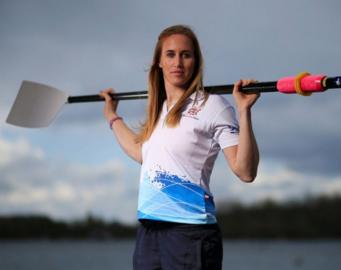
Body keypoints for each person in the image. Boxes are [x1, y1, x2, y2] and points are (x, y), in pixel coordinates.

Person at [99, 25, 260, 270]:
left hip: (190, 233)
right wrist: (112, 115)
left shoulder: (213, 105)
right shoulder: (159, 110)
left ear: (195, 61)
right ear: (159, 62)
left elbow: (245, 171)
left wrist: (244, 111)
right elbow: (141, 152)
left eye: (186, 54)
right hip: (149, 232)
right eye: (171, 54)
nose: (178, 62)